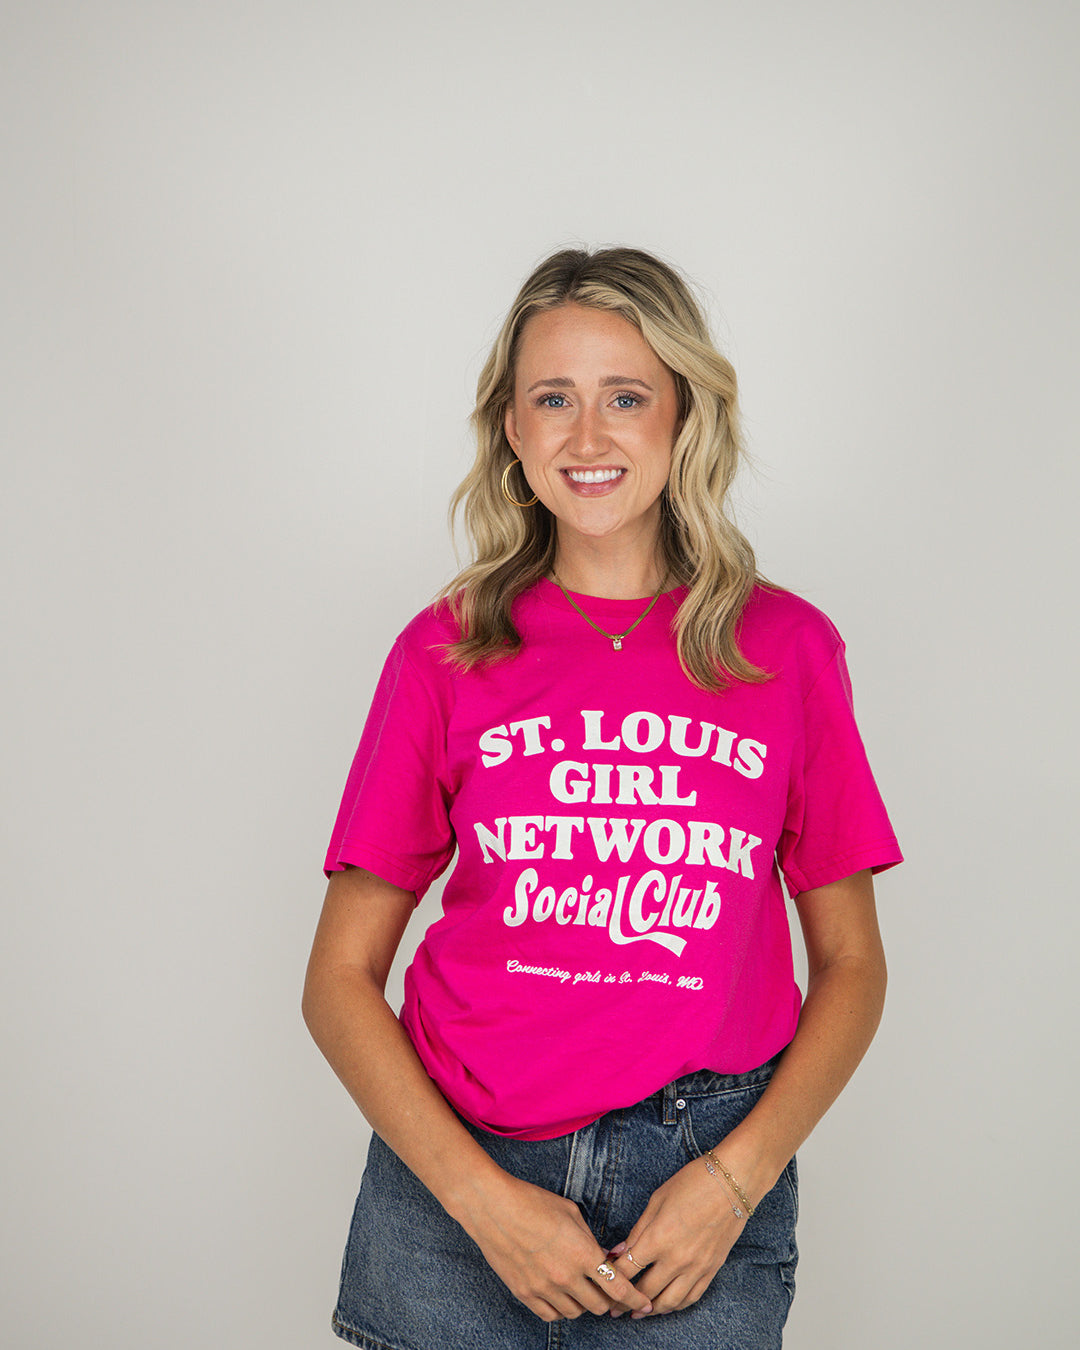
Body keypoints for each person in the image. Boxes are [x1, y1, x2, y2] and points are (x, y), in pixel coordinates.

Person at [303, 246, 902, 1349]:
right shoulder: (444, 651)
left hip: (702, 1194)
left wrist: (734, 1183)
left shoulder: (788, 651)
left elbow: (854, 969)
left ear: (685, 418)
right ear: (513, 432)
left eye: (626, 397)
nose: (589, 438)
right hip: (457, 1192)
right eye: (554, 401)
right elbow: (338, 980)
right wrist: (483, 1204)